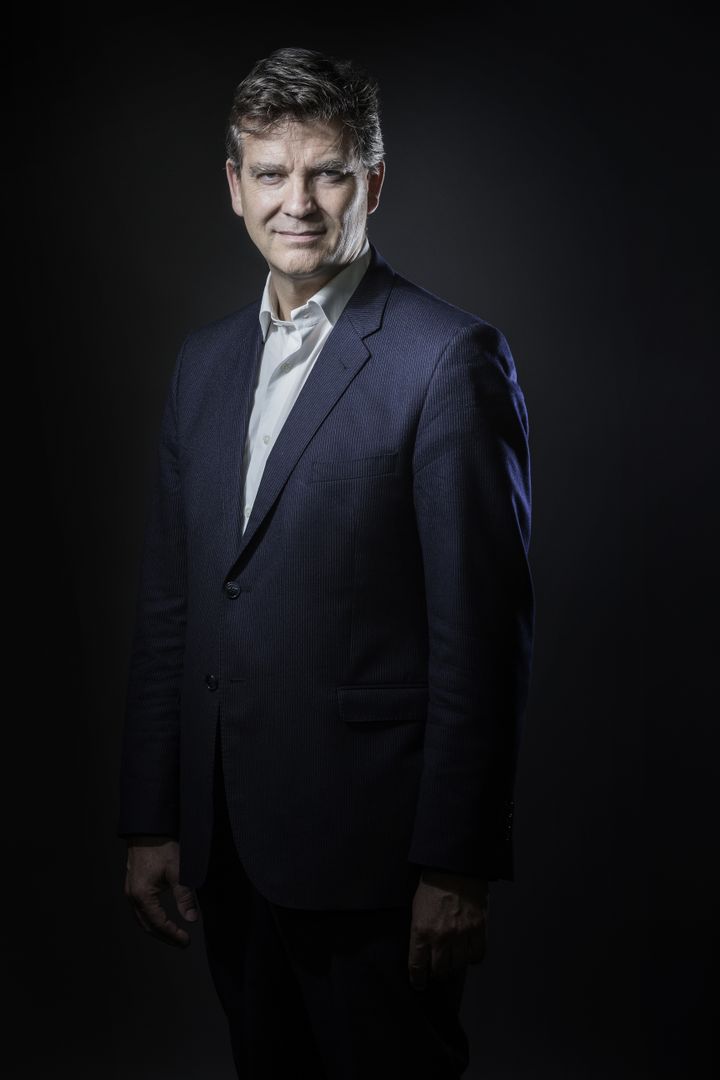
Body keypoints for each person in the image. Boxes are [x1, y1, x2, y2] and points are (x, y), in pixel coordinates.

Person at [118, 45, 534, 1080]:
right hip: (228, 845)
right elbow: (174, 606)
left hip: (377, 859)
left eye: (328, 171)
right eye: (270, 172)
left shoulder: (449, 360)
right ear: (233, 185)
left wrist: (457, 863)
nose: (296, 201)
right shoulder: (203, 364)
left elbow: (481, 638)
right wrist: (151, 819)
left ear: (373, 183)